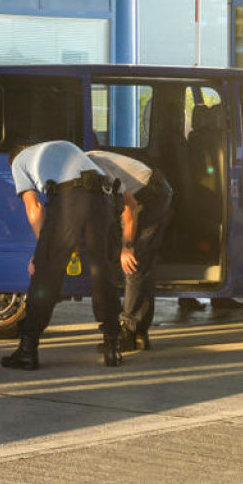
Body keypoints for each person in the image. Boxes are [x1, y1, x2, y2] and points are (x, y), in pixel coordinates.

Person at [2, 140, 124, 370]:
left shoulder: (18, 161)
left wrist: (42, 251)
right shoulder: (61, 146)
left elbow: (34, 207)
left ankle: (27, 350)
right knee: (102, 272)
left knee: (46, 274)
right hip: (104, 197)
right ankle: (113, 347)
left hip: (71, 198)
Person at [86, 150, 174, 352]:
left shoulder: (95, 170)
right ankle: (139, 334)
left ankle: (129, 332)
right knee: (137, 262)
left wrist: (127, 247)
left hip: (151, 194)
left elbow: (130, 207)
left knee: (134, 261)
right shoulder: (83, 164)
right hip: (142, 191)